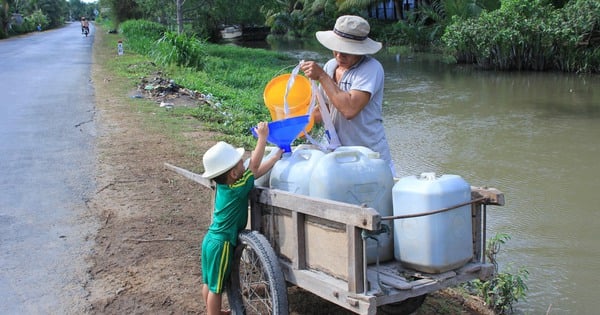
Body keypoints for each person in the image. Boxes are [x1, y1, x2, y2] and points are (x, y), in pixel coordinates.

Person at [200, 122, 283, 315]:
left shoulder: (225, 186)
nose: (243, 162)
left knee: (209, 283)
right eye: (239, 162)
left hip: (210, 241)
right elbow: (254, 166)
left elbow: (255, 172)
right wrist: (262, 137)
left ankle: (213, 311)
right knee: (217, 288)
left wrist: (275, 157)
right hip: (222, 244)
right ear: (234, 173)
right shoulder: (237, 189)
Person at [300, 15, 395, 176]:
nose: (339, 55)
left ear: (360, 51)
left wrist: (322, 77)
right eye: (336, 49)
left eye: (346, 51)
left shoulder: (371, 69)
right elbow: (326, 107)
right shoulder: (330, 66)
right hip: (338, 155)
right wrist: (299, 124)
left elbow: (349, 109)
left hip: (369, 156)